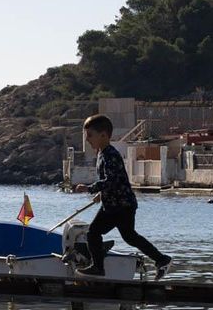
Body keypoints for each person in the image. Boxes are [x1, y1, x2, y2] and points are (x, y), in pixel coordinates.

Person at [72, 114, 172, 280]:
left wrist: (90, 188)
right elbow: (113, 181)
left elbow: (112, 180)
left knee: (93, 233)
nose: (87, 139)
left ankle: (98, 267)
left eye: (90, 135)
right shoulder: (102, 153)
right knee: (130, 236)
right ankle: (162, 259)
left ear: (103, 135)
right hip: (118, 204)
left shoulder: (110, 154)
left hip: (119, 206)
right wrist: (100, 194)